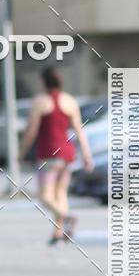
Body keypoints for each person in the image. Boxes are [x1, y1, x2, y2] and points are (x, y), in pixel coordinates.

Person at [19, 67, 93, 244]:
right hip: (68, 154)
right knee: (60, 194)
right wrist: (86, 155)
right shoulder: (70, 101)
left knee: (45, 197)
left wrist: (21, 152)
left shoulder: (40, 101)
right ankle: (58, 234)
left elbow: (31, 131)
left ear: (43, 82)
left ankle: (66, 217)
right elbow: (79, 131)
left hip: (49, 154)